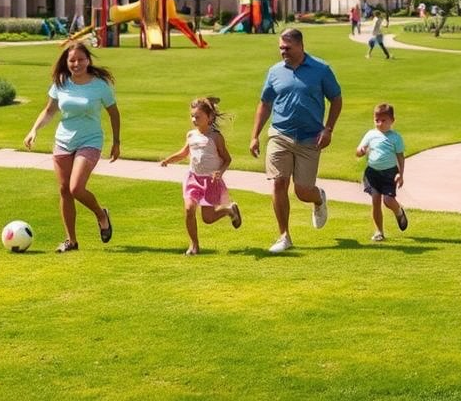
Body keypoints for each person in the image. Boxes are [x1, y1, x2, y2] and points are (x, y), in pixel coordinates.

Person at [249, 28, 342, 253]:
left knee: (302, 191)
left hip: (310, 139)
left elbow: (336, 99)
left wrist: (328, 129)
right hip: (280, 134)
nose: (283, 52)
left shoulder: (321, 69)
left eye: (287, 48)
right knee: (279, 182)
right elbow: (265, 103)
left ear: (300, 46)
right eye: (281, 48)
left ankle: (318, 198)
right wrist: (254, 136)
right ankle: (284, 236)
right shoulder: (274, 72)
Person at [23, 41, 120, 252]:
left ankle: (101, 214)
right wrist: (34, 130)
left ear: (88, 60)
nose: (76, 63)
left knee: (76, 188)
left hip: (90, 140)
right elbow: (49, 111)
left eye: (80, 59)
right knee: (64, 190)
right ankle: (71, 241)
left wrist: (116, 142)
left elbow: (113, 113)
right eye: (72, 60)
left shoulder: (100, 85)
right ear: (66, 62)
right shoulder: (61, 83)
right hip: (63, 141)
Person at [160, 97, 242, 255]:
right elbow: (184, 152)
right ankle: (194, 245)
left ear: (209, 117)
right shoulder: (191, 135)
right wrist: (169, 159)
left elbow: (227, 159)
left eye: (197, 117)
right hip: (193, 179)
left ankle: (229, 210)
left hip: (210, 181)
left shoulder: (215, 137)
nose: (193, 119)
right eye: (192, 116)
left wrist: (220, 171)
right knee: (189, 209)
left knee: (208, 218)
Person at [355, 103, 408, 241]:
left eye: (383, 120)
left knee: (388, 200)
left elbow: (400, 157)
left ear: (392, 121)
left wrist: (400, 175)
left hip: (390, 173)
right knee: (376, 200)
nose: (379, 123)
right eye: (376, 120)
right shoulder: (371, 134)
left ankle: (398, 211)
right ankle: (379, 231)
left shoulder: (395, 137)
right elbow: (359, 150)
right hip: (372, 173)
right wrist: (361, 151)